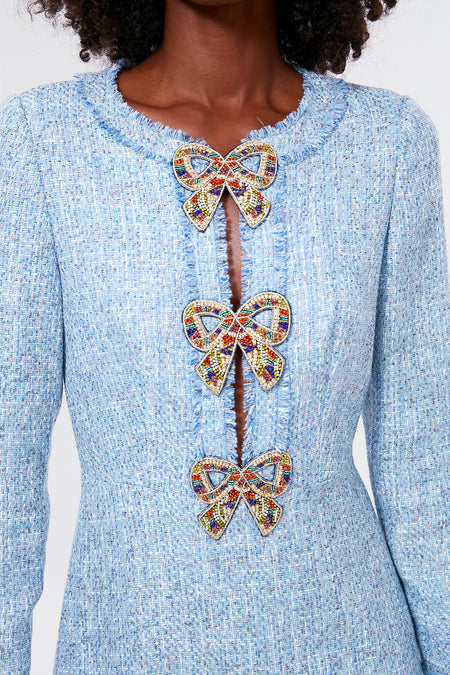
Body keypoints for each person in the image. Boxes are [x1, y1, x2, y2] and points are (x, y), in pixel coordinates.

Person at [1, 0, 449, 673]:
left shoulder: (389, 144)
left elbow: (427, 473)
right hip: (129, 647)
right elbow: (7, 470)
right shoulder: (41, 143)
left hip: (360, 645)